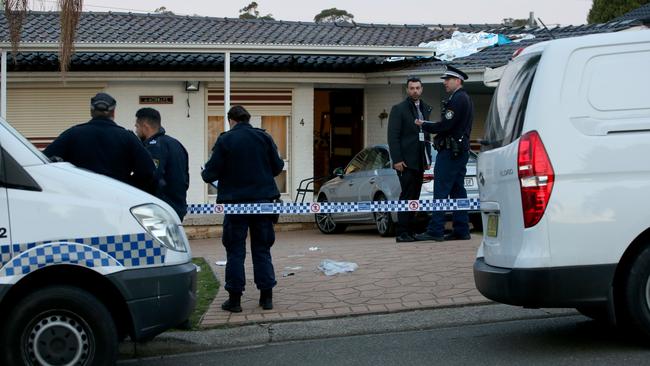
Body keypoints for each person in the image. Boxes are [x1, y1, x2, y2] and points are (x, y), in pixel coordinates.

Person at [202, 105, 284, 313]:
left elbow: (209, 174)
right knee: (262, 249)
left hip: (236, 204)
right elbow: (277, 167)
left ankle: (235, 300)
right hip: (263, 202)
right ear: (248, 119)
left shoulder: (225, 140)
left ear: (231, 120)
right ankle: (266, 298)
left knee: (235, 251)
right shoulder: (264, 137)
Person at [44, 92, 156, 194]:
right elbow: (148, 172)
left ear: (91, 112)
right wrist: (128, 186)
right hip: (119, 200)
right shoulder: (127, 138)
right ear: (113, 113)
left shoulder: (72, 134)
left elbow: (45, 162)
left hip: (80, 198)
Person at [414, 65, 474, 242]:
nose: (445, 83)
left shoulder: (457, 99)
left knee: (440, 190)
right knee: (457, 190)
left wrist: (423, 124)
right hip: (460, 151)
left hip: (451, 151)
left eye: (448, 80)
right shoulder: (464, 98)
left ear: (458, 81)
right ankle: (462, 229)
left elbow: (445, 125)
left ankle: (435, 230)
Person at [387, 76, 432, 243]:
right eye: (412, 88)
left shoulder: (425, 108)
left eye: (418, 88)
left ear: (422, 89)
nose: (415, 91)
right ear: (407, 90)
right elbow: (393, 136)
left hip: (420, 161)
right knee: (406, 195)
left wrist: (427, 158)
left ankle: (411, 231)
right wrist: (397, 159)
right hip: (405, 162)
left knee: (415, 196)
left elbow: (426, 135)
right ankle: (402, 232)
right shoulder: (399, 109)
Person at [134, 107, 190, 221]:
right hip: (177, 207)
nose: (136, 131)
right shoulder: (176, 144)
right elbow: (185, 179)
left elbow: (151, 178)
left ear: (145, 126)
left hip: (160, 210)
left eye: (137, 126)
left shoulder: (154, 147)